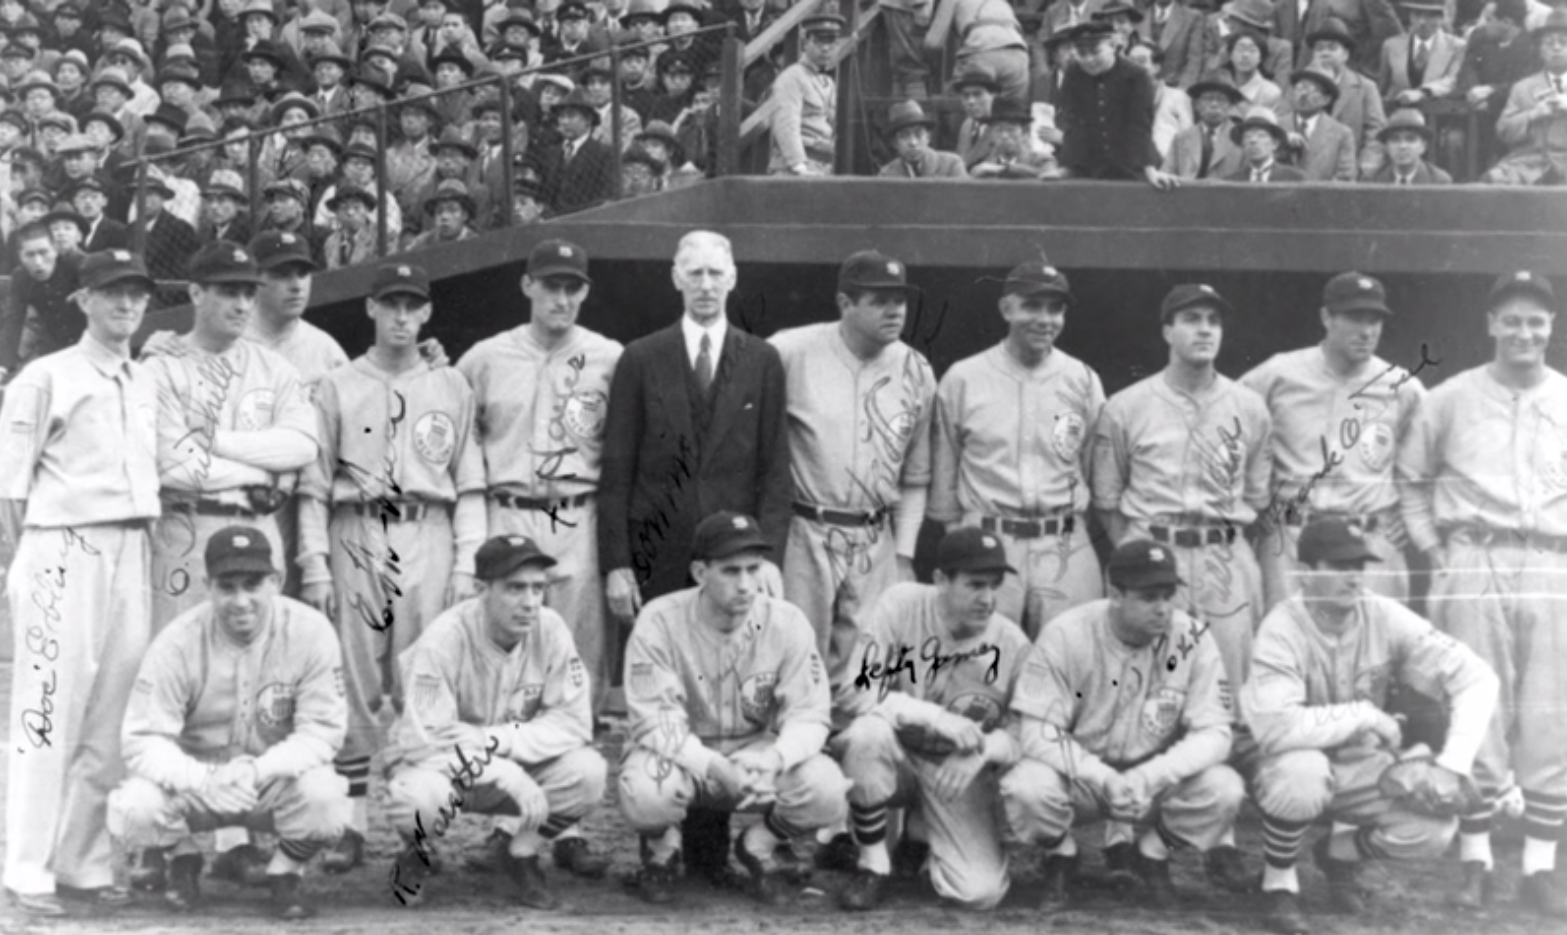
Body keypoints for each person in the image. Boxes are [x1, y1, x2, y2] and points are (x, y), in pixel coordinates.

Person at [598, 230, 793, 881]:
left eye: (716, 272)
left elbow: (773, 470)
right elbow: (617, 470)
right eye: (695, 273)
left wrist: (765, 557)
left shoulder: (760, 360)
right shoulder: (642, 357)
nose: (706, 284)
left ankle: (708, 847)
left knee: (722, 698)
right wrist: (617, 561)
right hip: (660, 554)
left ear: (733, 278)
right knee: (661, 695)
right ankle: (657, 844)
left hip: (733, 558)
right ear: (675, 279)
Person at [297, 262, 485, 872]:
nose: (402, 316)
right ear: (371, 309)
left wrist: (466, 561)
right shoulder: (338, 383)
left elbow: (471, 479)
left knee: (422, 680)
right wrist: (316, 564)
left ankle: (414, 822)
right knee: (352, 678)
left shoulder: (452, 384)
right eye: (391, 304)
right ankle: (350, 825)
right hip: (355, 527)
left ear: (426, 312)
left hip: (427, 528)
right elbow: (313, 484)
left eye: (413, 305)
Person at [1397, 270, 1567, 917]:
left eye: (1535, 320)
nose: (1523, 331)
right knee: (1477, 709)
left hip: (1551, 558)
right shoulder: (1449, 397)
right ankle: (1475, 860)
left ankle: (1538, 867)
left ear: (1549, 327)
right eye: (1511, 319)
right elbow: (1411, 480)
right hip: (1473, 553)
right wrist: (1435, 553)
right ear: (1490, 323)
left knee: (1551, 712)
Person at [1242, 517, 1499, 934]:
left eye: (1359, 566)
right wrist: (1364, 714)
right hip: (1285, 763)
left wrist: (1452, 766)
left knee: (1433, 829)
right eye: (1339, 565)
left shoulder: (1382, 613)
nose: (1354, 576)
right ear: (1305, 573)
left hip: (1357, 762)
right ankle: (1279, 883)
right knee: (1301, 775)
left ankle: (1339, 855)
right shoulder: (1281, 626)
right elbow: (1277, 727)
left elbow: (1477, 676)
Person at [0, 250, 160, 917]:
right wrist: (21, 565)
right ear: (83, 300)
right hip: (61, 541)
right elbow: (10, 486)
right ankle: (26, 865)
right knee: (47, 710)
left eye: (136, 293)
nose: (126, 304)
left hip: (131, 543)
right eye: (112, 292)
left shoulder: (146, 376)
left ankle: (84, 862)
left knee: (111, 713)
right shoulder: (45, 375)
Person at [105, 526, 352, 920]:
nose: (241, 601)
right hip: (199, 784)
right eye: (227, 586)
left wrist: (257, 770)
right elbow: (142, 740)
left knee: (328, 801)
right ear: (208, 586)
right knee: (134, 807)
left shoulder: (311, 632)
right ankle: (181, 857)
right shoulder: (176, 642)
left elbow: (322, 731)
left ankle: (284, 873)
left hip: (270, 781)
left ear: (277, 581)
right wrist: (203, 780)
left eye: (253, 585)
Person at [618, 511, 850, 905]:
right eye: (730, 571)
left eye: (753, 570)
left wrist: (777, 757)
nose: (746, 585)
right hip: (683, 758)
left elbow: (810, 715)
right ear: (699, 572)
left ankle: (759, 844)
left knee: (827, 789)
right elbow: (655, 722)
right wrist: (712, 765)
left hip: (755, 757)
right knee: (645, 793)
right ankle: (662, 850)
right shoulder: (659, 620)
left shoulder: (787, 622)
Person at [1004, 539, 1248, 911]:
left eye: (1169, 595)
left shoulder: (1192, 637)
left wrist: (1149, 776)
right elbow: (1037, 732)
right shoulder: (1067, 632)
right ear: (1115, 594)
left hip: (1150, 782)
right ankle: (1061, 853)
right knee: (1027, 786)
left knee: (1224, 788)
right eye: (1149, 597)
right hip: (1083, 779)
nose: (1164, 608)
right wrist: (1103, 777)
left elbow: (1215, 734)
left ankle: (1153, 852)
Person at [383, 534, 610, 909]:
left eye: (538, 589)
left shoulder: (551, 629)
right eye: (515, 588)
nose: (530, 602)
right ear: (480, 589)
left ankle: (520, 851)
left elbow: (574, 724)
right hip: (444, 772)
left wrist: (495, 738)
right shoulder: (443, 639)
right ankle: (416, 851)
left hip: (505, 759)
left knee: (588, 773)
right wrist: (507, 775)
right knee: (417, 799)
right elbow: (424, 743)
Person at [457, 239, 624, 718]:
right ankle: (498, 748)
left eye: (574, 288)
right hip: (508, 510)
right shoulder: (485, 358)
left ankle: (575, 745)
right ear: (528, 285)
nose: (562, 299)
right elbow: (457, 432)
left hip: (578, 512)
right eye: (552, 286)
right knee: (504, 636)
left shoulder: (608, 358)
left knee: (579, 644)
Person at [833, 527, 1033, 911]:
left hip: (955, 771)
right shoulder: (900, 604)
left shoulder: (1012, 642)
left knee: (979, 892)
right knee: (865, 734)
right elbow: (855, 690)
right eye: (975, 585)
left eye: (994, 585)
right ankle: (873, 863)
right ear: (940, 579)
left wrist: (984, 751)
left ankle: (920, 837)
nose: (988, 599)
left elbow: (1025, 731)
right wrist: (932, 716)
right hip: (897, 755)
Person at [1091, 282, 1271, 690]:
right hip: (1153, 548)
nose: (1205, 330)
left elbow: (1258, 497)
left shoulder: (1248, 406)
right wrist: (1138, 551)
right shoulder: (1126, 405)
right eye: (1191, 320)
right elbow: (1106, 500)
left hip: (1223, 553)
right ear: (1167, 331)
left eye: (1213, 321)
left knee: (1230, 678)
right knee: (1144, 676)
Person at [770, 250, 936, 676]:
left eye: (900, 299)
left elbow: (916, 477)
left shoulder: (916, 369)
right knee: (793, 659)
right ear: (845, 304)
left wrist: (904, 553)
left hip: (875, 537)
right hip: (806, 531)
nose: (894, 310)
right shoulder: (789, 351)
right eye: (879, 300)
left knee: (866, 668)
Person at [145, 241, 319, 629]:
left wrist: (217, 442)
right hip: (188, 532)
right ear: (195, 292)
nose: (242, 304)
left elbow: (304, 445)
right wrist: (264, 475)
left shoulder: (274, 368)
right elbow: (175, 466)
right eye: (227, 292)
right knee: (180, 656)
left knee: (256, 664)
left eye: (248, 293)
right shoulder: (162, 367)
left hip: (258, 527)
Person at [929, 260, 1105, 638]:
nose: (1045, 319)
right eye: (1032, 306)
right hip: (989, 537)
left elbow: (1093, 467)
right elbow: (944, 477)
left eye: (1055, 309)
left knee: (1071, 657)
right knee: (981, 662)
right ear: (1007, 308)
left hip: (1063, 541)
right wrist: (962, 540)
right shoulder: (964, 377)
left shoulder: (1083, 379)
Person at [1241, 272, 1423, 615]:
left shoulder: (1401, 386)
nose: (1367, 330)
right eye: (1355, 318)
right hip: (1293, 537)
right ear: (1326, 317)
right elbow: (1230, 427)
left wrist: (1412, 518)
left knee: (1375, 653)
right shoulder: (1278, 374)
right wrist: (1254, 506)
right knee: (1288, 648)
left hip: (1369, 537)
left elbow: (1431, 458)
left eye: (1375, 320)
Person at [1058, 21, 1181, 188]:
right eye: (1081, 53)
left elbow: (1139, 125)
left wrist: (1149, 169)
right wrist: (1068, 166)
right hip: (1088, 163)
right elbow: (1072, 121)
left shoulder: (1136, 75)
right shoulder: (1073, 73)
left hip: (1132, 163)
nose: (1089, 60)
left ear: (1113, 46)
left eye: (1096, 52)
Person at [1281, 19, 1388, 172]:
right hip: (1298, 166)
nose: (1325, 53)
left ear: (1345, 54)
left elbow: (1376, 132)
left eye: (1332, 48)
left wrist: (1366, 165)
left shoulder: (1365, 87)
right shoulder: (1297, 85)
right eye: (1319, 48)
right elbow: (1281, 121)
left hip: (1349, 166)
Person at [1483, 9, 1567, 186]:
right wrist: (1533, 114)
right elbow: (1504, 131)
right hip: (1529, 163)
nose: (1557, 48)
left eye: (1563, 42)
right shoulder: (1523, 88)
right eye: (1549, 43)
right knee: (1493, 180)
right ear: (1540, 50)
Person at [0, 220, 83, 381]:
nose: (38, 262)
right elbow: (13, 321)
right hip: (52, 351)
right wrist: (2, 365)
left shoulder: (79, 266)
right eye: (30, 255)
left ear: (55, 250)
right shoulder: (20, 277)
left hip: (87, 349)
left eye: (43, 252)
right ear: (20, 256)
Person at [769, 14, 842, 175]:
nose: (825, 48)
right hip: (794, 168)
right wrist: (799, 166)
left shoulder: (827, 83)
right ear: (805, 43)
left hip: (823, 166)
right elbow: (786, 123)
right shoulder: (792, 77)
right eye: (818, 41)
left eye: (831, 42)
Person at [1378, 0, 1465, 106]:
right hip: (1398, 114)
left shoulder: (1457, 46)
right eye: (1417, 15)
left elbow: (1452, 81)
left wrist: (1422, 93)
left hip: (1437, 115)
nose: (1422, 22)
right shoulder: (1391, 46)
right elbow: (1382, 88)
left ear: (1442, 18)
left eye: (1430, 16)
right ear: (1410, 16)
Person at [1279, 69, 1358, 180]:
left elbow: (1346, 177)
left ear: (1326, 100)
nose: (1303, 95)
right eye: (1299, 88)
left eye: (1311, 90)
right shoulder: (1276, 127)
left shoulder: (1341, 133)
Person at [1165, 74, 1248, 178]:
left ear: (1230, 106)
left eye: (1221, 99)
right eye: (1208, 98)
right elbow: (1166, 174)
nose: (1214, 104)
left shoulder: (1242, 139)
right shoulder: (1181, 138)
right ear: (1196, 105)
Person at [878, 100, 969, 178]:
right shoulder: (886, 174)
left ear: (928, 138)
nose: (913, 143)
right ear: (894, 143)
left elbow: (966, 197)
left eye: (918, 134)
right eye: (904, 136)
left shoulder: (951, 165)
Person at [1366, 107, 1453, 182]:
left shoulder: (1438, 180)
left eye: (1410, 139)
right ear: (1386, 146)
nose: (1402, 146)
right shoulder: (1372, 179)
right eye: (1395, 139)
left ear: (1423, 146)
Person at [1138, 0, 1208, 88]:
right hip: (1138, 88)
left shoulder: (1192, 17)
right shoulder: (1137, 15)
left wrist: (1182, 91)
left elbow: (1195, 60)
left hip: (1174, 87)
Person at [950, 65, 1001, 168]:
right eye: (966, 96)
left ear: (993, 95)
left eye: (977, 94)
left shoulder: (1005, 127)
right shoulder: (967, 125)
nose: (971, 101)